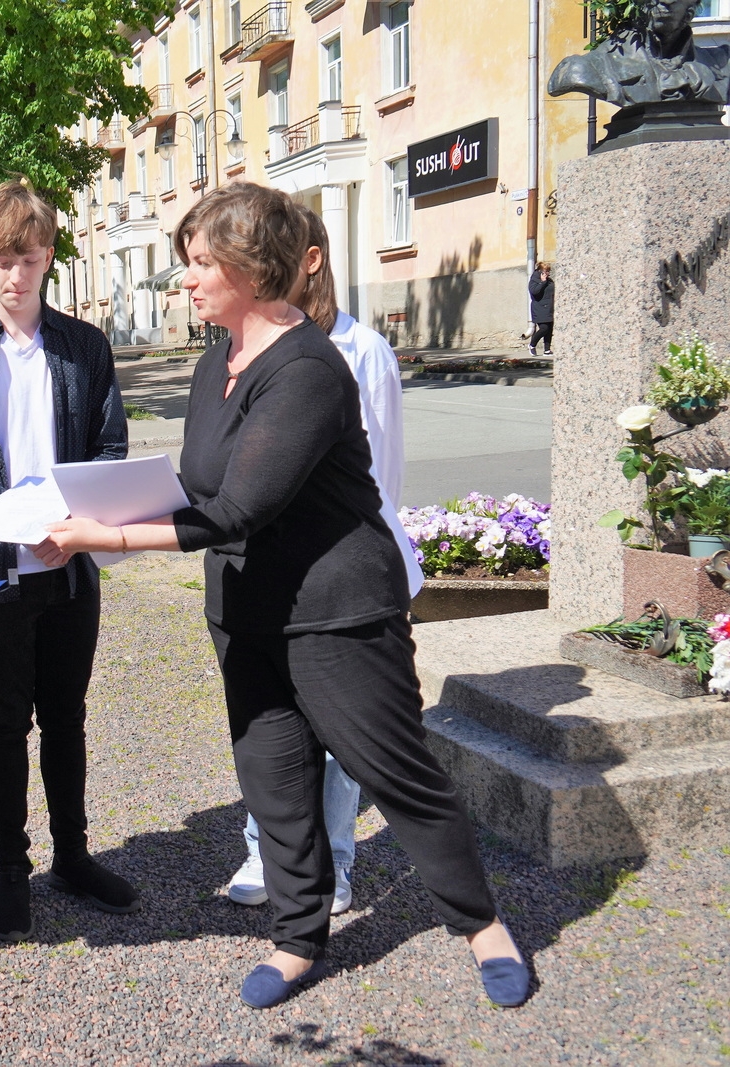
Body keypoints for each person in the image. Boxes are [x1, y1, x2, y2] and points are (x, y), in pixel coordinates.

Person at [38, 182, 530, 1011]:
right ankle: (300, 938)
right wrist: (106, 503)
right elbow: (200, 485)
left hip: (338, 614)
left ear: (252, 267)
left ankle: (484, 926)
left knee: (395, 771)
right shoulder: (214, 362)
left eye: (201, 264)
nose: (186, 280)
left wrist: (102, 537)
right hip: (246, 614)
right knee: (274, 783)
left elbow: (239, 507)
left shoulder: (307, 367)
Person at [0, 180, 138, 944]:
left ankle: (72, 856)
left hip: (70, 569)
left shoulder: (84, 346)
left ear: (49, 258)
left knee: (68, 717)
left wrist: (71, 522)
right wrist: (12, 510)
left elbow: (110, 447)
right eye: (4, 259)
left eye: (31, 258)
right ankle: (11, 867)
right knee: (6, 718)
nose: (17, 275)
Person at [223, 207, 425, 916]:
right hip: (267, 570)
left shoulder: (360, 349)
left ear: (310, 259)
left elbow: (383, 476)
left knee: (339, 733)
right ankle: (268, 849)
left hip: (339, 572)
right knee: (271, 722)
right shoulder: (244, 346)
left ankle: (335, 859)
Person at [528, 263, 554, 356]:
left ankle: (547, 350)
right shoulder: (534, 280)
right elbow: (534, 292)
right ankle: (532, 345)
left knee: (549, 329)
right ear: (540, 271)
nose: (548, 273)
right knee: (544, 328)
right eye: (546, 271)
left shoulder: (549, 281)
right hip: (539, 308)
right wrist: (542, 282)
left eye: (548, 271)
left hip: (549, 307)